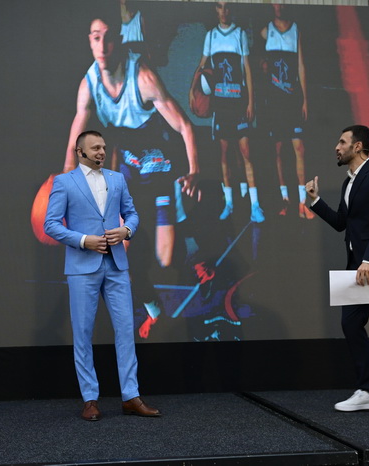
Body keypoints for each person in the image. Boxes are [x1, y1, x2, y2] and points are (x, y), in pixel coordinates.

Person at [64, 13, 201, 338]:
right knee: (122, 262)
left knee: (165, 260)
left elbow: (185, 126)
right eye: (95, 36)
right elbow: (76, 136)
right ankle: (155, 312)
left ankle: (194, 250)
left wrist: (195, 170)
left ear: (119, 41)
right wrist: (65, 179)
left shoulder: (143, 77)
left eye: (108, 37)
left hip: (160, 168)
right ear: (89, 41)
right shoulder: (89, 83)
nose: (102, 45)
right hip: (129, 173)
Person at [45, 130, 161, 421]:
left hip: (116, 266)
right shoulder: (64, 182)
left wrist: (126, 230)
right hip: (82, 267)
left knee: (125, 331)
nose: (101, 152)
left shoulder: (117, 179)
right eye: (95, 147)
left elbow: (132, 214)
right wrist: (84, 240)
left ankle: (131, 397)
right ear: (80, 152)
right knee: (83, 333)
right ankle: (90, 399)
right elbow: (51, 224)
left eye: (103, 147)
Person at [306, 125, 369, 420]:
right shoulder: (348, 182)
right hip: (357, 265)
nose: (336, 147)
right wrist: (315, 201)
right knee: (350, 324)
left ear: (358, 146)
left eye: (342, 142)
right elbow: (342, 222)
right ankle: (368, 391)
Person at [190, 2, 264, 223]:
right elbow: (201, 65)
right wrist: (192, 90)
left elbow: (247, 69)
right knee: (223, 155)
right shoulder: (211, 36)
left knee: (246, 153)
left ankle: (255, 205)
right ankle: (229, 203)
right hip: (220, 105)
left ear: (231, 10)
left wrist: (251, 102)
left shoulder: (239, 34)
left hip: (238, 103)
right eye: (220, 7)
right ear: (216, 10)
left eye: (227, 7)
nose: (224, 11)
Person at [259, 4, 314, 219]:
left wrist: (305, 100)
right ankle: (285, 199)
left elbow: (301, 66)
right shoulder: (265, 31)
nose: (279, 5)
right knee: (279, 150)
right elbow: (258, 64)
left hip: (292, 101)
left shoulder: (296, 30)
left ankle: (302, 202)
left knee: (299, 148)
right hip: (274, 102)